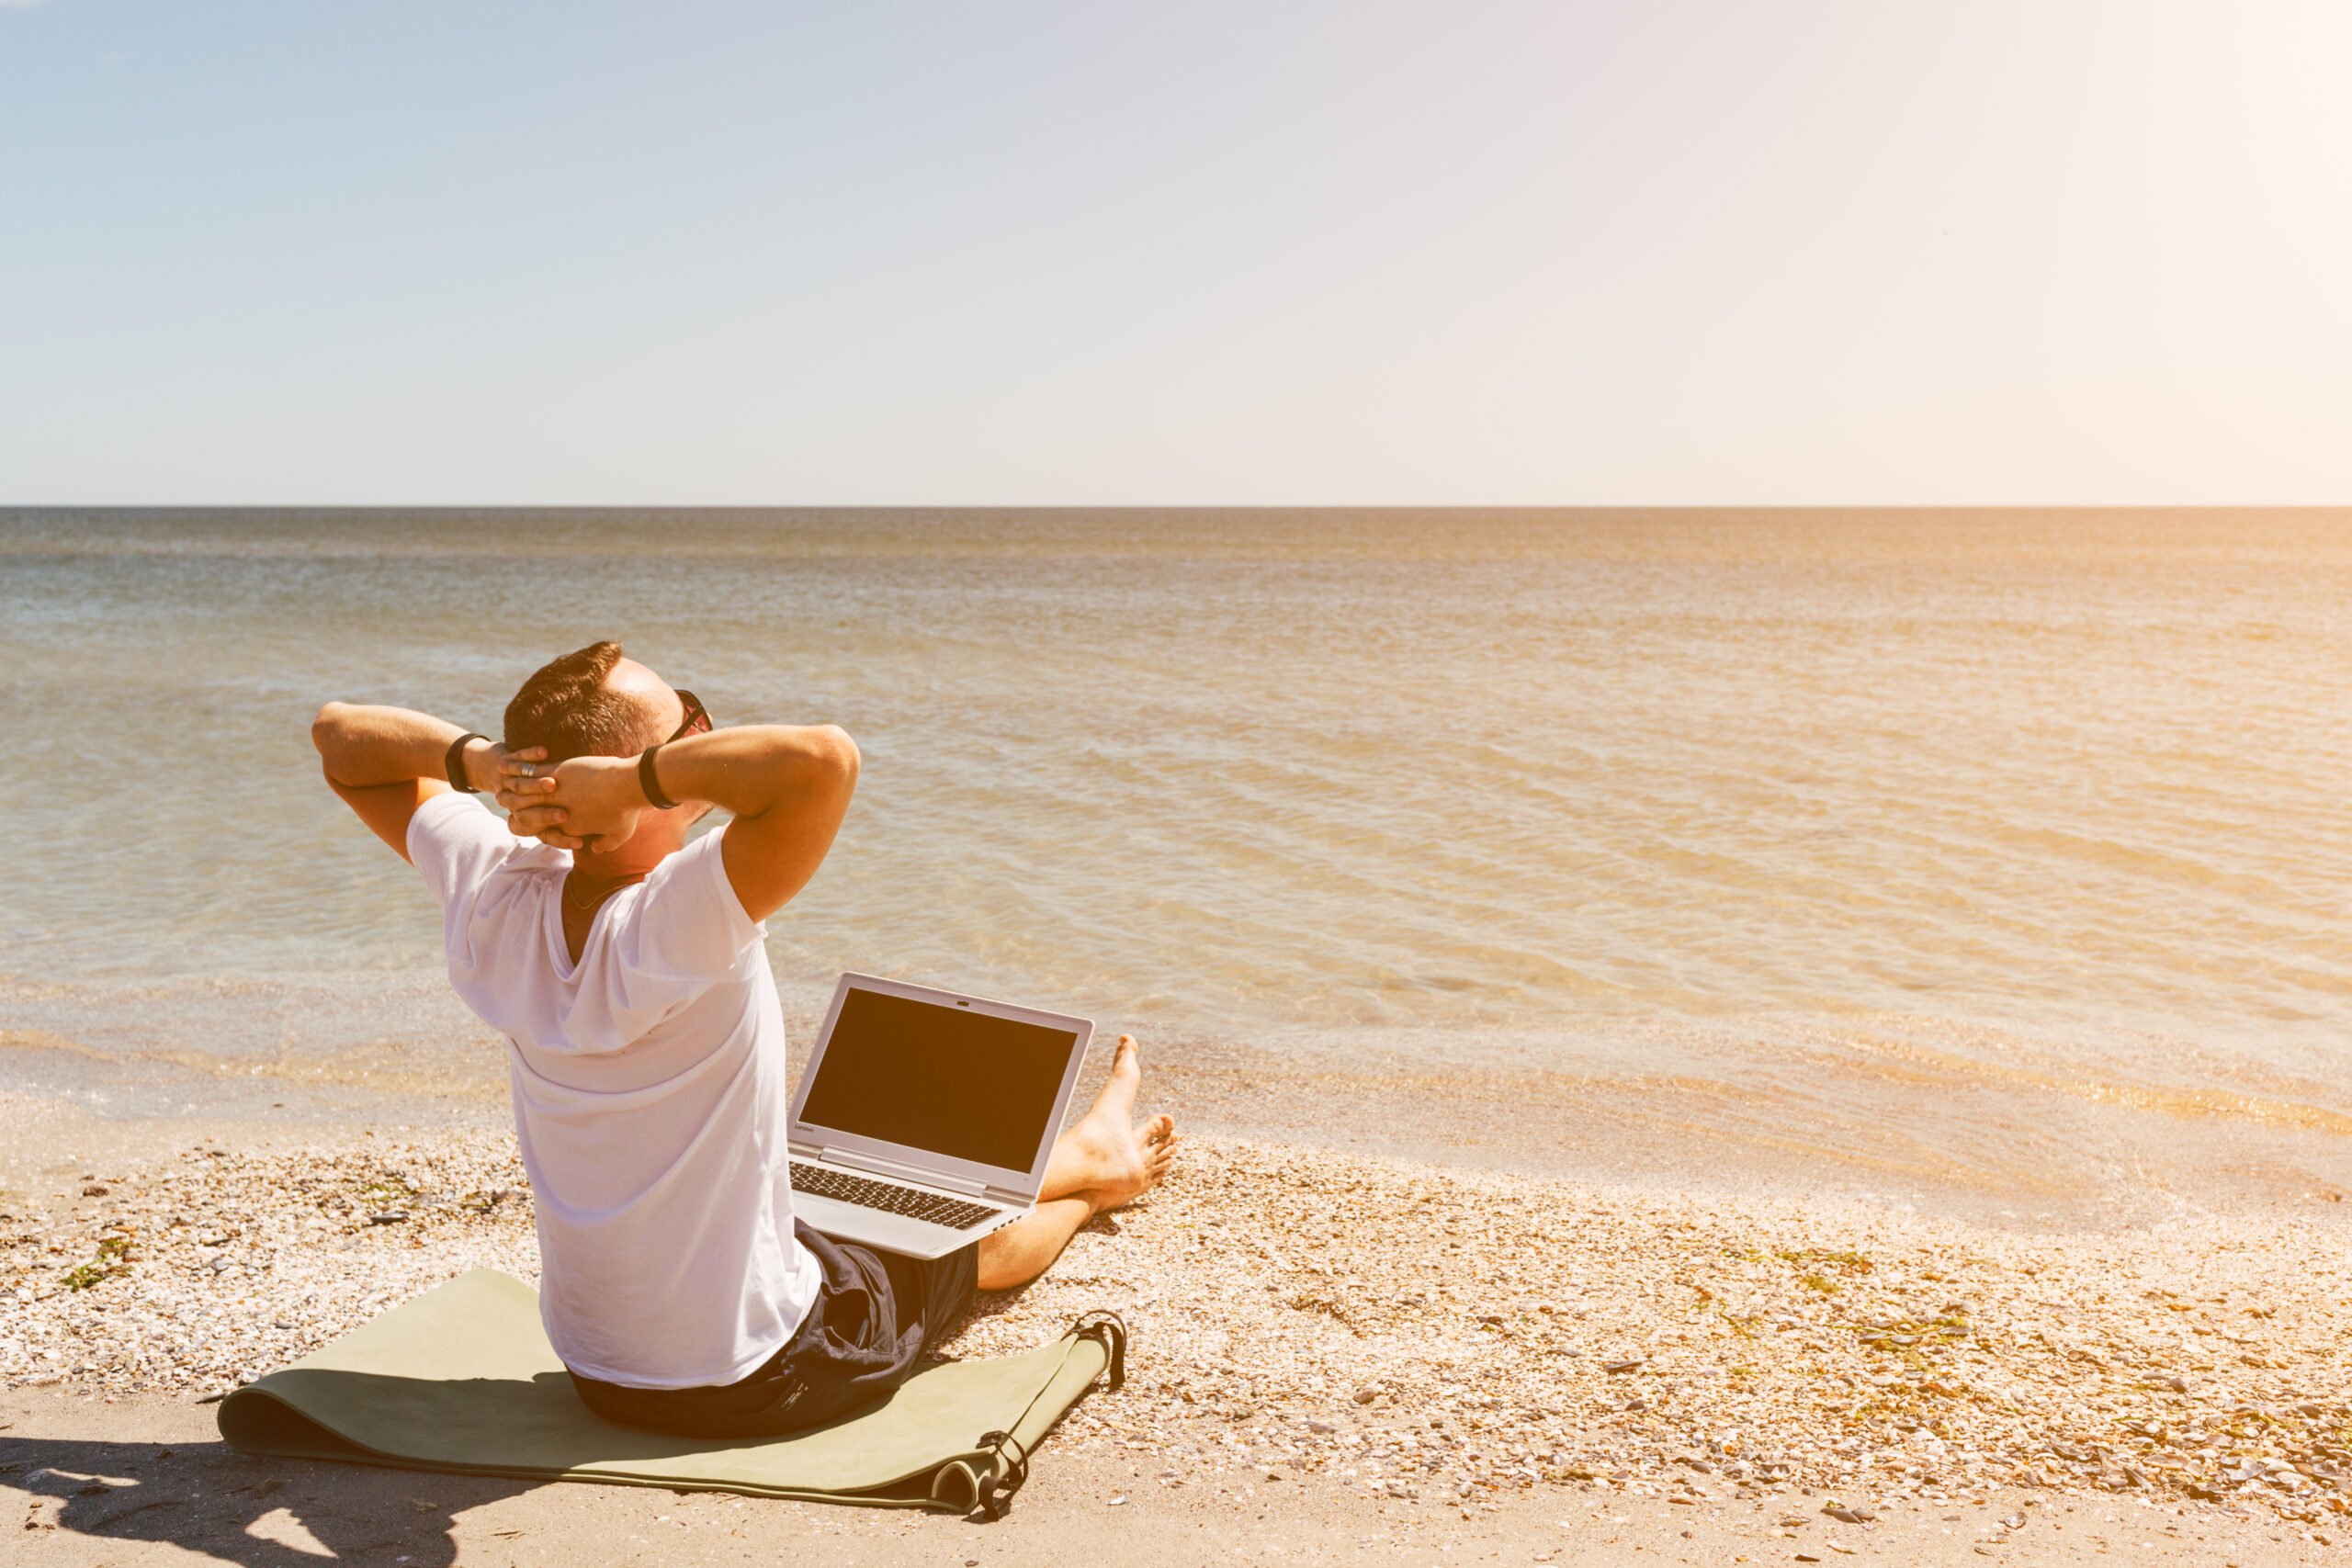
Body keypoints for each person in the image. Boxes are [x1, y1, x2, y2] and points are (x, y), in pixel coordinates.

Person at [311, 640, 1176, 1438]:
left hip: (596, 1372)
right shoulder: (672, 918)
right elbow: (823, 761)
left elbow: (340, 740)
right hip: (758, 1376)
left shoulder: (495, 891)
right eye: (686, 724)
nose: (707, 736)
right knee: (943, 1247)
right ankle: (1101, 1173)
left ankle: (1077, 1155)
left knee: (824, 1198)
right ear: (615, 778)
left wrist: (481, 767)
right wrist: (636, 781)